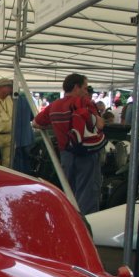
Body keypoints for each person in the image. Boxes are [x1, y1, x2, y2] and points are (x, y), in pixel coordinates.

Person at [33, 73, 104, 214]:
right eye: (84, 87)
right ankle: (86, 225)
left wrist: (55, 126)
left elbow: (36, 123)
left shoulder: (54, 106)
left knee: (69, 191)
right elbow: (100, 124)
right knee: (88, 192)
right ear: (76, 87)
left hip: (66, 153)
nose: (86, 91)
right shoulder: (85, 103)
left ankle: (72, 220)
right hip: (87, 153)